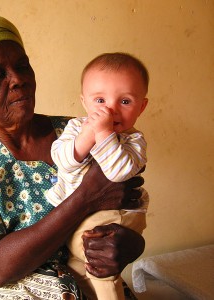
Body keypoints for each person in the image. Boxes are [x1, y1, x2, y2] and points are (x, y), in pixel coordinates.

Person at [0, 15, 145, 300]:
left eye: (22, 66)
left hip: (94, 284)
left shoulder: (79, 133)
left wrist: (129, 246)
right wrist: (85, 197)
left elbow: (126, 202)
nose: (18, 79)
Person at [45, 52, 149, 299]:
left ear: (142, 107)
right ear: (84, 102)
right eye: (100, 100)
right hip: (77, 218)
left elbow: (118, 172)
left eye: (125, 101)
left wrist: (103, 135)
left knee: (100, 267)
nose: (110, 110)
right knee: (78, 269)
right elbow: (61, 160)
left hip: (115, 217)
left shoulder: (134, 140)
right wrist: (87, 136)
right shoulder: (75, 128)